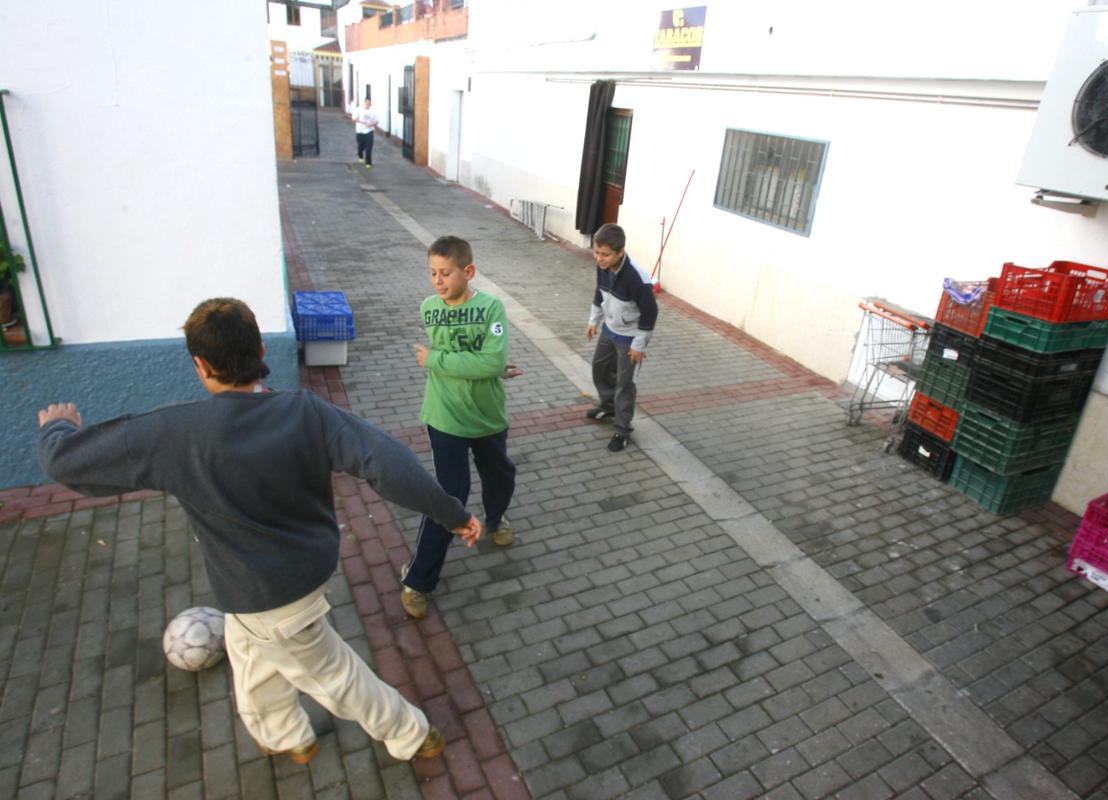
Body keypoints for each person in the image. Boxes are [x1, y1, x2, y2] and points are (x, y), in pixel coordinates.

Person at [36, 298, 482, 766]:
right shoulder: (307, 412)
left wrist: (57, 428)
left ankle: (413, 734)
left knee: (334, 676)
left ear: (200, 364)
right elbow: (389, 462)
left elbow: (66, 461)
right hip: (269, 586)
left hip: (272, 596)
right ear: (261, 350)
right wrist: (452, 514)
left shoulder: (175, 433)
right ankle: (287, 734)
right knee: (247, 653)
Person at [404, 235, 517, 620]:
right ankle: (419, 581)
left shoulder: (491, 307)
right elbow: (482, 361)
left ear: (468, 272)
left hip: (487, 418)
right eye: (432, 273)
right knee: (450, 497)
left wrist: (436, 359)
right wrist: (482, 363)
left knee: (499, 476)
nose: (437, 281)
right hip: (444, 417)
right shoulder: (428, 308)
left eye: (446, 273)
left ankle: (497, 519)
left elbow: (489, 363)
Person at [584, 223, 658, 452]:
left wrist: (639, 345)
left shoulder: (637, 278)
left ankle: (622, 429)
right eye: (596, 252)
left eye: (605, 255)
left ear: (620, 251)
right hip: (609, 329)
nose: (599, 259)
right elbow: (600, 293)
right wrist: (593, 320)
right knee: (599, 368)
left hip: (630, 338)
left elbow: (650, 313)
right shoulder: (602, 267)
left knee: (625, 385)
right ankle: (608, 407)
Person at [352, 98, 379, 168]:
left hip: (369, 131)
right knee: (361, 146)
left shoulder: (373, 112)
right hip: (360, 131)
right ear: (364, 103)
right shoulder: (359, 109)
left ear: (371, 103)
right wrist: (362, 122)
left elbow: (376, 121)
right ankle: (360, 155)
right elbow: (354, 119)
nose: (368, 104)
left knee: (369, 147)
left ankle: (368, 163)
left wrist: (372, 125)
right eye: (366, 102)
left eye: (369, 103)